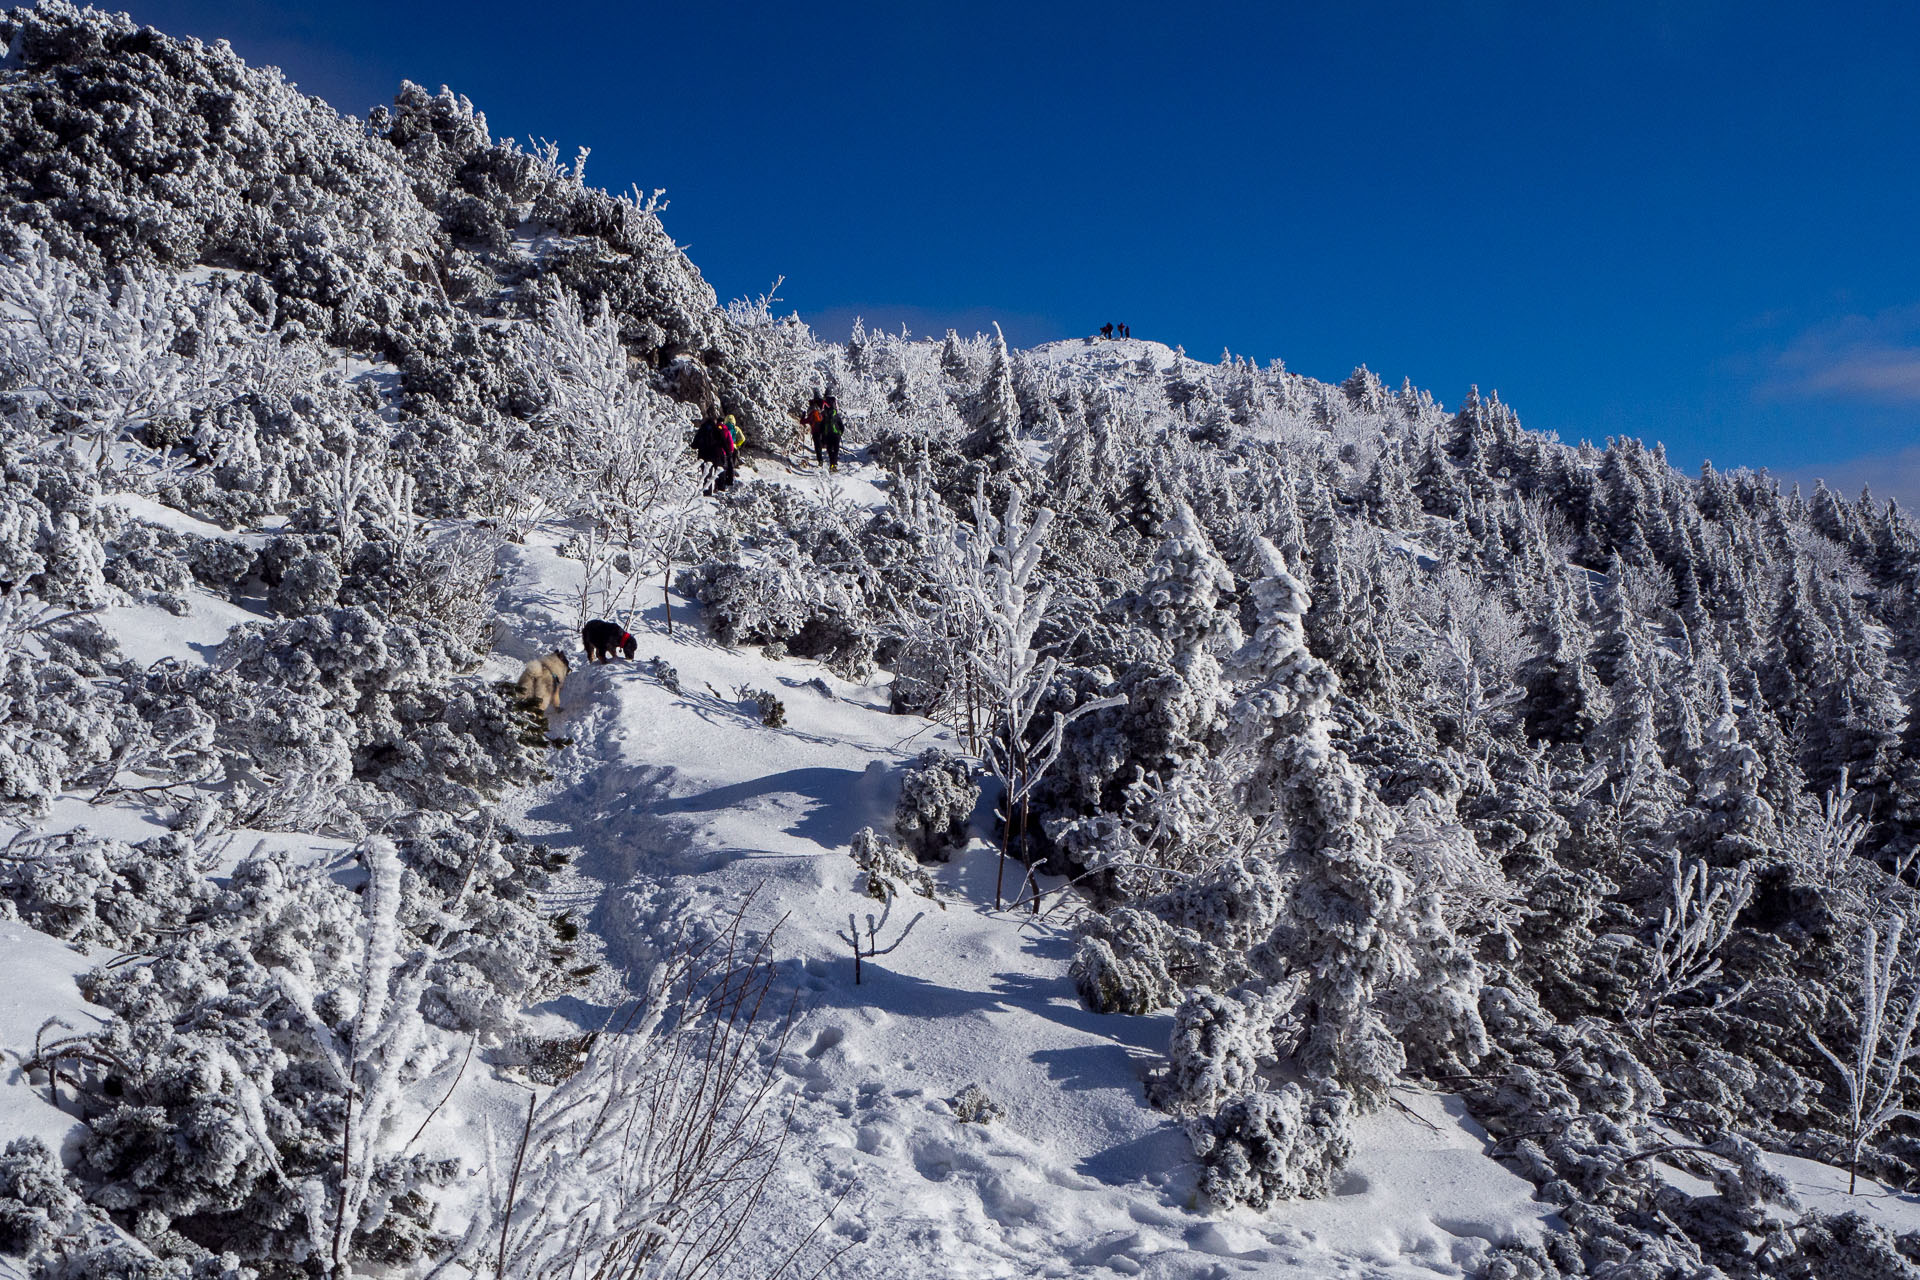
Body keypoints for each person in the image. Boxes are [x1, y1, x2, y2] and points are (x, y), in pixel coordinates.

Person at [818, 396, 845, 472]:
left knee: (830, 450)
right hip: (836, 435)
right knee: (836, 450)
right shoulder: (835, 414)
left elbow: (821, 427)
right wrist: (840, 433)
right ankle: (834, 465)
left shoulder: (825, 415)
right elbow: (841, 426)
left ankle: (831, 464)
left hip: (827, 435)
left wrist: (822, 438)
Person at [803, 395, 828, 465]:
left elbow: (802, 421)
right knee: (820, 443)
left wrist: (803, 416)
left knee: (817, 446)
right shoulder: (819, 412)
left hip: (815, 432)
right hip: (822, 430)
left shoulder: (811, 415)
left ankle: (820, 460)